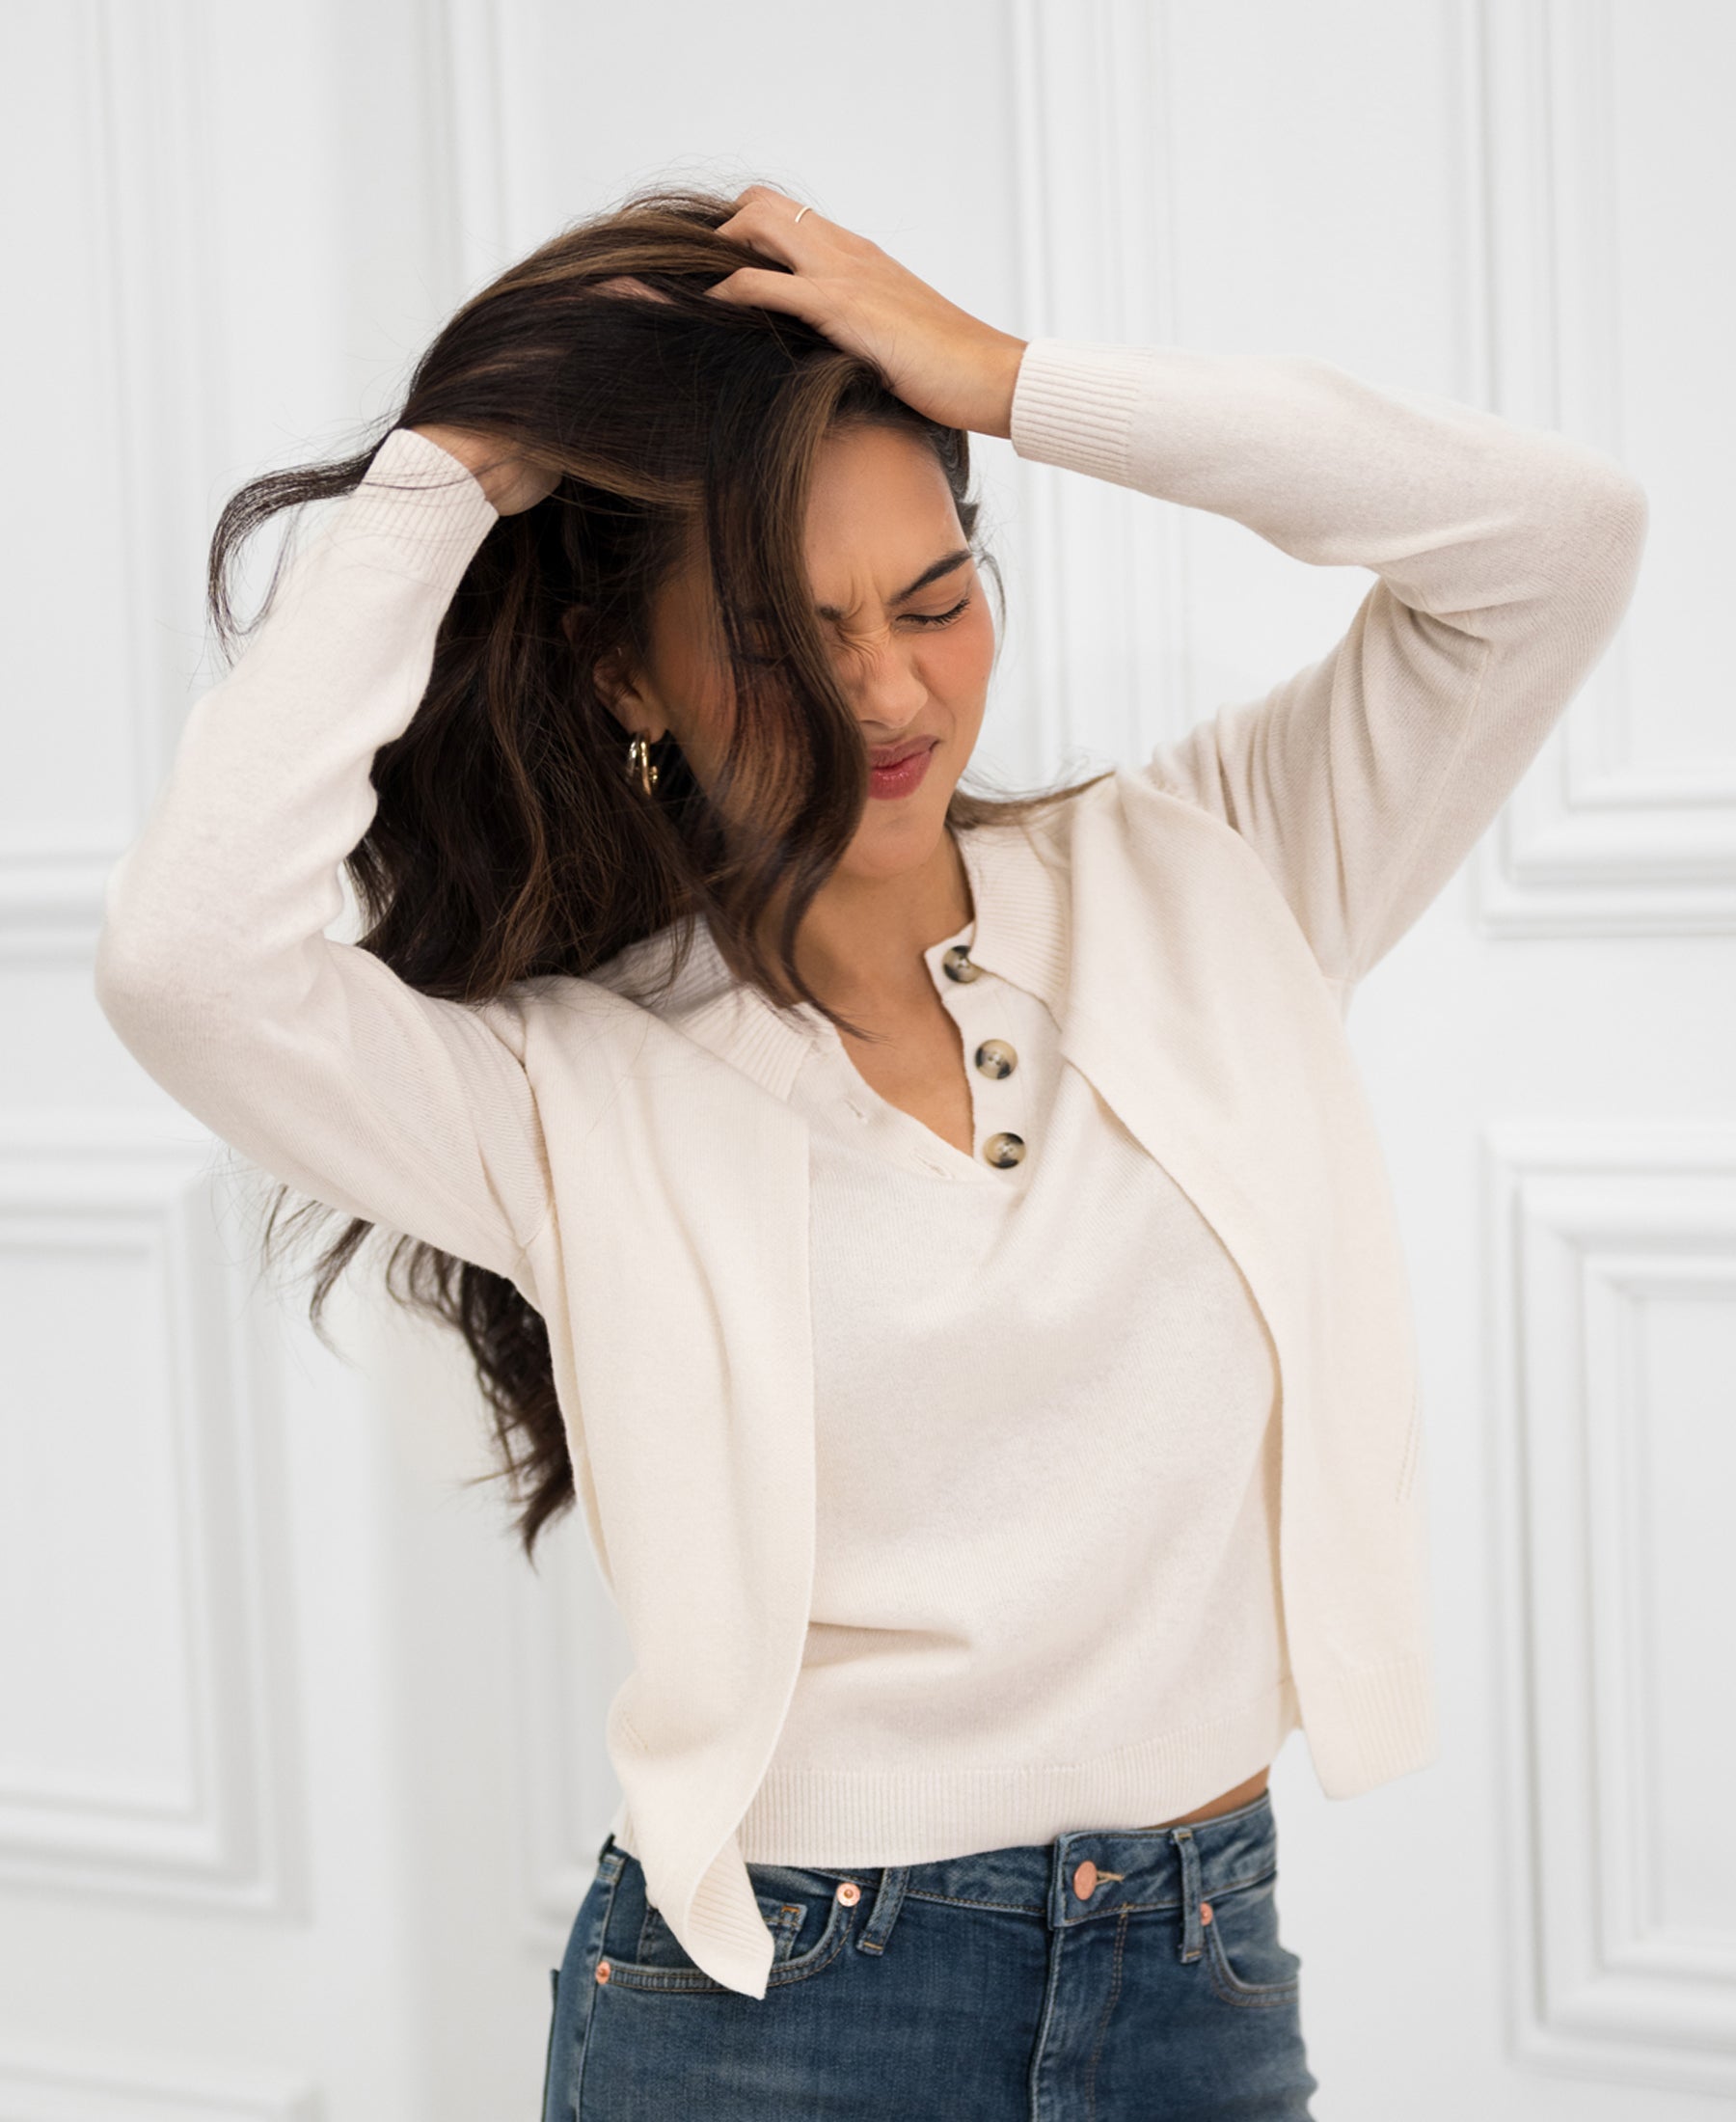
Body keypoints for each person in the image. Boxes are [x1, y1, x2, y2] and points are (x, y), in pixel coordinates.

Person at [93, 178, 1648, 2119]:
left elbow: (1563, 544)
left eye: (934, 598)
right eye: (787, 636)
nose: (894, 693)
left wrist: (1004, 375)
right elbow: (182, 961)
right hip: (779, 2008)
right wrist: (449, 472)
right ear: (626, 678)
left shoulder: (1217, 873)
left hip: (1200, 1971)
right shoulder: (569, 1088)